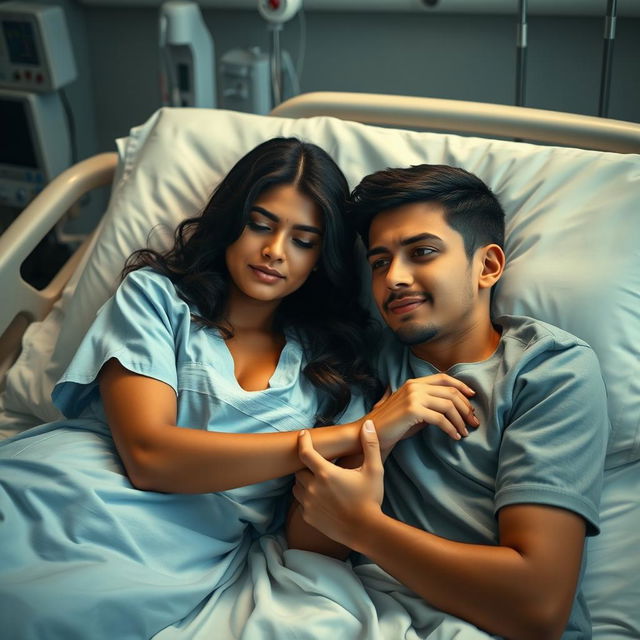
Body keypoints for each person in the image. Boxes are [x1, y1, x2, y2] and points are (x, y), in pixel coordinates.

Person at [0, 140, 459, 639]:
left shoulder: (337, 374)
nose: (274, 251)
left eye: (303, 240)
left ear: (320, 259)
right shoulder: (157, 298)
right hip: (56, 494)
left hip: (168, 560)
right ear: (230, 220)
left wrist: (375, 444)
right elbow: (149, 456)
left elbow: (311, 544)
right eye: (260, 224)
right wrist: (359, 433)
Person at [288, 164, 609, 639]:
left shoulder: (548, 370)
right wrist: (377, 430)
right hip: (353, 612)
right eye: (379, 262)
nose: (394, 277)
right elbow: (308, 540)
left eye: (422, 252)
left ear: (488, 266)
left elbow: (538, 608)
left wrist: (363, 528)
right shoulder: (363, 361)